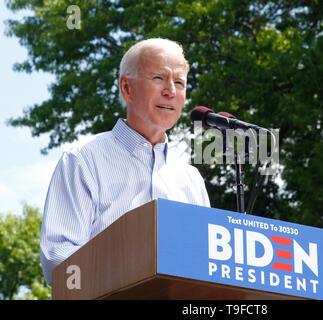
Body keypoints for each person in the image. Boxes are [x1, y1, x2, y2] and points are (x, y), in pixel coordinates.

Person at [40, 38, 210, 286]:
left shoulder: (191, 179)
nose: (171, 91)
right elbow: (59, 261)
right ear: (127, 88)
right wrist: (129, 273)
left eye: (179, 82)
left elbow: (203, 264)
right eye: (159, 78)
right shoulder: (83, 160)